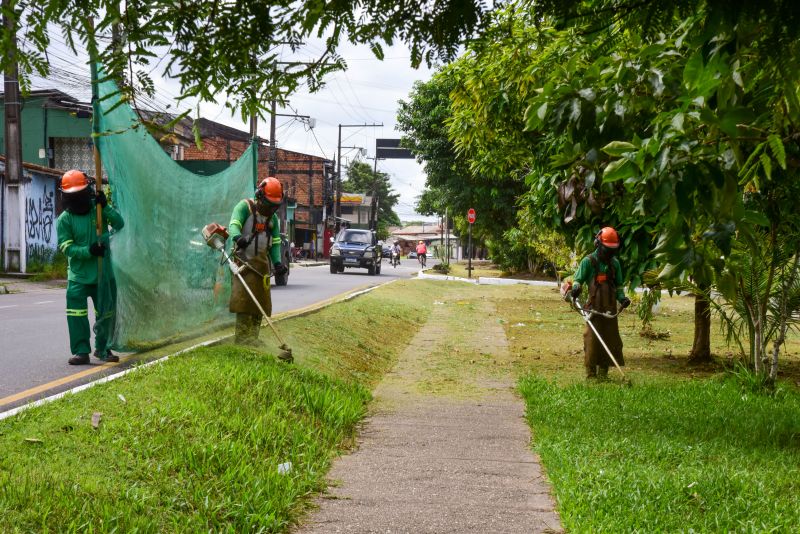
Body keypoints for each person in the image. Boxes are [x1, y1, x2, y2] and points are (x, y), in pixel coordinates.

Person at [56, 169, 124, 365]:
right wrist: (89, 250)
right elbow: (66, 247)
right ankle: (81, 351)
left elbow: (119, 224)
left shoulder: (99, 209)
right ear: (65, 196)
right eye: (72, 195)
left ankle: (103, 349)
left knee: (106, 314)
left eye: (80, 194)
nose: (76, 199)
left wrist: (106, 206)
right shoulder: (64, 220)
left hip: (103, 274)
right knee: (76, 315)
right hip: (78, 277)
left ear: (88, 191)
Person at [228, 176, 288, 352]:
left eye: (275, 205)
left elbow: (275, 242)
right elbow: (234, 225)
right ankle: (242, 339)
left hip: (262, 267)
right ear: (259, 196)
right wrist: (238, 237)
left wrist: (277, 263)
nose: (271, 209)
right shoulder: (244, 207)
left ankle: (253, 338)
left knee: (260, 304)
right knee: (243, 302)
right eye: (269, 204)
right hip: (243, 264)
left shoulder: (273, 219)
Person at [565, 227, 631, 379]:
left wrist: (622, 299)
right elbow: (578, 279)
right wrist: (576, 288)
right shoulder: (588, 262)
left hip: (610, 308)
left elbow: (619, 286)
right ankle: (591, 373)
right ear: (598, 244)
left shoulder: (615, 264)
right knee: (592, 339)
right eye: (607, 249)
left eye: (612, 250)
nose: (610, 253)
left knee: (609, 338)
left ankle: (604, 373)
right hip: (593, 307)